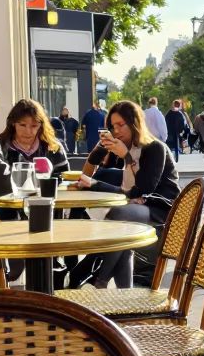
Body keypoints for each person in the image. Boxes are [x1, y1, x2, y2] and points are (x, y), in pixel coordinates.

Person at [69, 100, 179, 289]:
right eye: (113, 126)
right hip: (136, 204)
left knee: (119, 216)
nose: (116, 130)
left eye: (121, 125)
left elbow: (143, 188)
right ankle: (124, 293)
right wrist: (97, 151)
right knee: (123, 240)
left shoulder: (155, 148)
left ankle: (100, 279)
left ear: (135, 124)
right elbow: (88, 175)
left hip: (160, 208)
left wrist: (127, 157)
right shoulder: (122, 145)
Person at [0, 98, 70, 282]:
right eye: (23, 125)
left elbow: (65, 177)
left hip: (46, 210)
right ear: (12, 123)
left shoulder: (53, 147)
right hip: (10, 211)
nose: (28, 131)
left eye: (34, 126)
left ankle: (51, 268)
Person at [165, 98, 190, 163]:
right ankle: (176, 159)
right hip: (177, 132)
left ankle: (169, 158)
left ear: (173, 105)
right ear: (179, 106)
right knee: (176, 146)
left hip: (169, 131)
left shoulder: (169, 113)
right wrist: (182, 131)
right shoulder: (180, 113)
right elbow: (184, 123)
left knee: (169, 146)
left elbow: (165, 121)